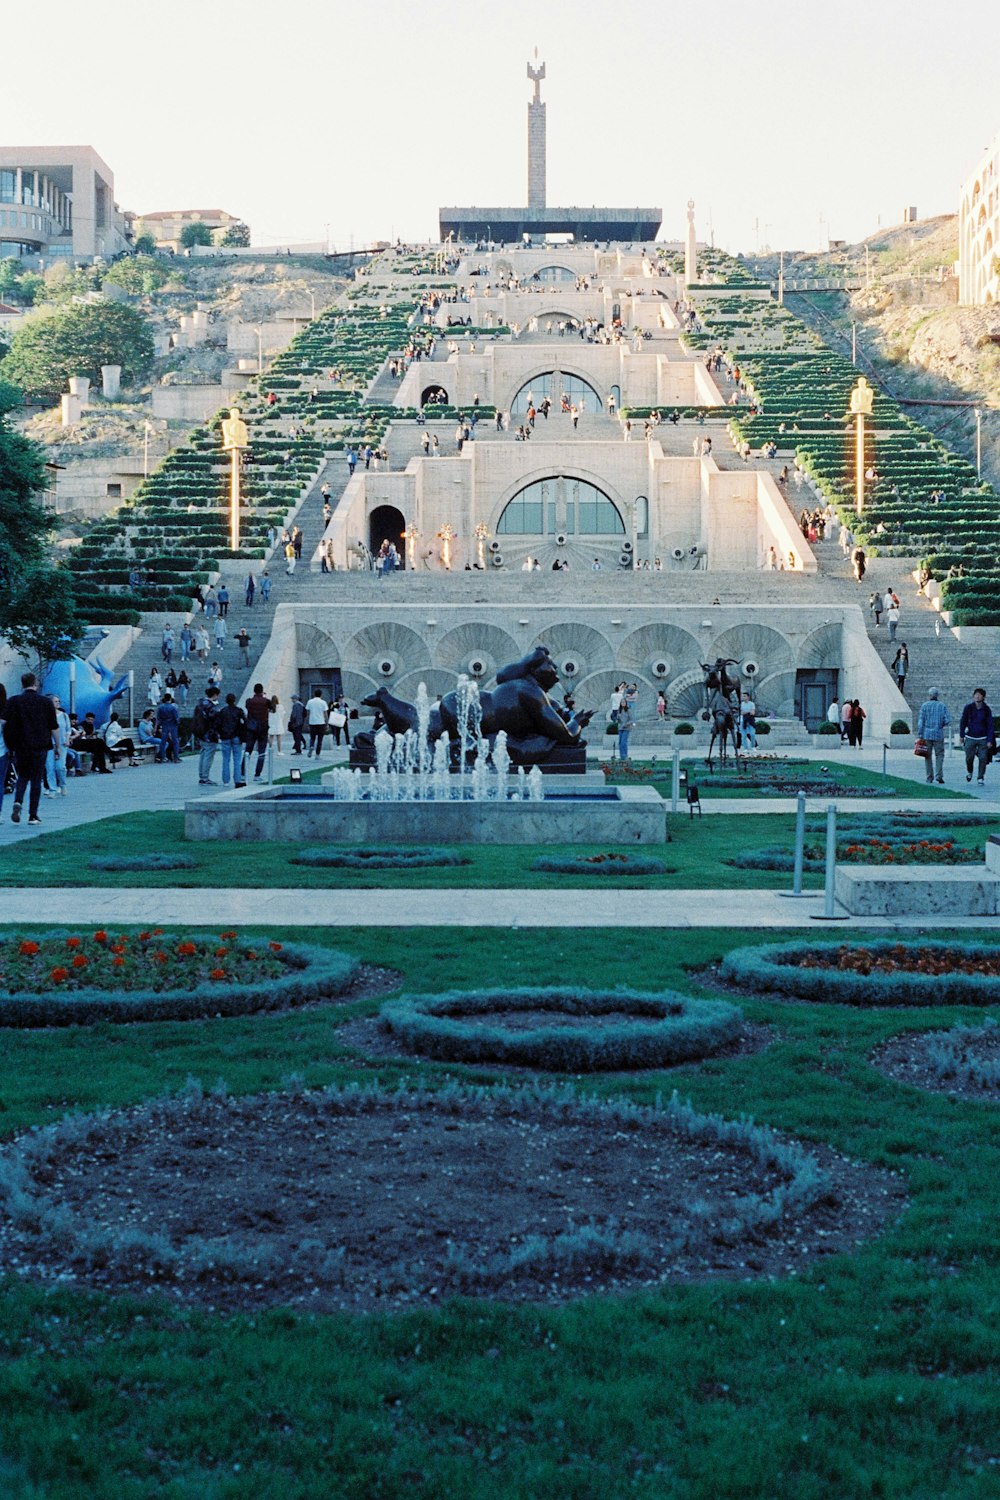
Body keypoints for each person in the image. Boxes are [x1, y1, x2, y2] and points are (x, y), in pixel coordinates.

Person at [4, 671, 60, 825]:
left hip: (21, 746)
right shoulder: (45, 702)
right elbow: (54, 727)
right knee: (36, 779)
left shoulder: (14, 701)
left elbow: (4, 722)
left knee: (22, 776)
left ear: (22, 684)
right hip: (40, 746)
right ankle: (33, 815)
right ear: (35, 683)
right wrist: (58, 747)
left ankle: (18, 801)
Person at [959, 687, 995, 786]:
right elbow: (963, 722)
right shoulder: (968, 708)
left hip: (983, 738)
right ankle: (969, 771)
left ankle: (980, 777)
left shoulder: (986, 709)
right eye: (975, 694)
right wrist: (962, 735)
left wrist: (990, 740)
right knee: (969, 758)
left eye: (979, 695)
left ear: (983, 697)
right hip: (970, 737)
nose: (977, 696)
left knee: (983, 758)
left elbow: (990, 725)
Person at [916, 687, 951, 785]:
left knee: (927, 756)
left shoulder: (925, 706)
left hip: (927, 734)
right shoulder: (942, 706)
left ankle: (929, 777)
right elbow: (947, 720)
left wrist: (920, 734)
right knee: (939, 755)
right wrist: (941, 725)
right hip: (938, 734)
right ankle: (939, 775)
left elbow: (921, 721)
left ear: (930, 695)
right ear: (937, 695)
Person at [217, 692, 247, 788]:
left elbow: (218, 724)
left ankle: (226, 780)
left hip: (225, 737)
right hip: (236, 737)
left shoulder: (223, 711)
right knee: (237, 760)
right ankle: (237, 779)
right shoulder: (239, 711)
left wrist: (221, 734)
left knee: (226, 759)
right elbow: (245, 723)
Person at [194, 686, 222, 784]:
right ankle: (205, 777)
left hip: (200, 733)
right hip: (209, 734)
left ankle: (202, 775)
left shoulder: (200, 704)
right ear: (214, 695)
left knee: (203, 754)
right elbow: (215, 721)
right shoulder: (211, 707)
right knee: (208, 756)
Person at [154, 694, 181, 763]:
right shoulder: (173, 707)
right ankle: (176, 758)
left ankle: (162, 757)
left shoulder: (160, 708)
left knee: (163, 742)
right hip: (172, 725)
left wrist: (157, 726)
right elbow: (176, 718)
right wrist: (177, 723)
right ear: (170, 699)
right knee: (175, 742)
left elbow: (158, 718)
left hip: (164, 726)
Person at [306, 688, 328, 756]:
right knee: (320, 739)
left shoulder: (310, 702)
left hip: (312, 722)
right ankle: (317, 754)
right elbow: (325, 714)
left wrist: (307, 722)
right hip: (321, 722)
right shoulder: (323, 702)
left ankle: (311, 746)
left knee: (312, 737)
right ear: (321, 695)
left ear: (314, 694)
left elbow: (308, 713)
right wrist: (327, 723)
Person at [616, 696, 635, 762]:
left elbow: (631, 720)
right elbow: (618, 719)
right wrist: (617, 719)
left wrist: (626, 724)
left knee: (624, 742)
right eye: (621, 702)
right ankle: (622, 756)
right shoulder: (619, 710)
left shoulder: (628, 710)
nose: (623, 703)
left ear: (626, 703)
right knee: (620, 743)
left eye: (624, 702)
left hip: (626, 728)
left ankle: (625, 755)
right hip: (620, 728)